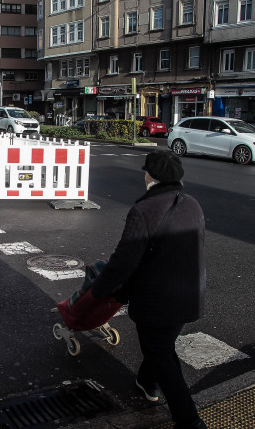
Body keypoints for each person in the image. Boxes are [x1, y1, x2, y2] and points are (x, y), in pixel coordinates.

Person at [91, 150, 207, 429]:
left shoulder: (144, 210)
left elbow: (123, 260)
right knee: (161, 346)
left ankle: (189, 421)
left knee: (161, 354)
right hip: (190, 294)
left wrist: (98, 291)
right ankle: (147, 383)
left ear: (150, 176)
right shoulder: (192, 204)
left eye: (145, 171)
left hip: (158, 300)